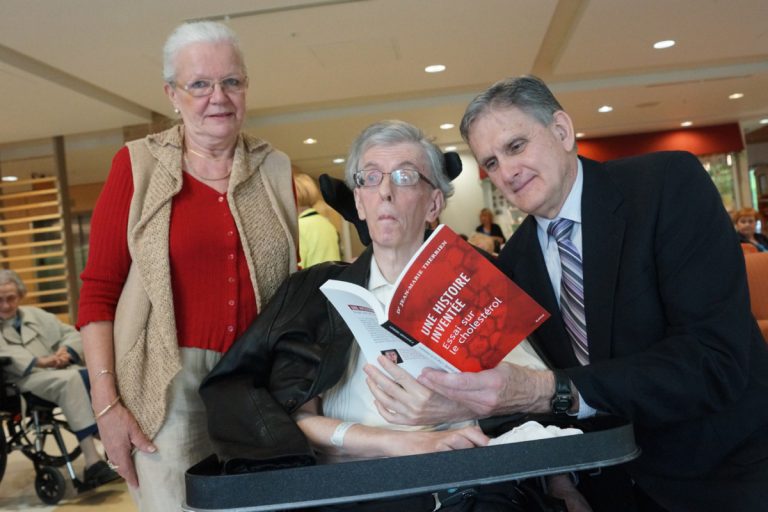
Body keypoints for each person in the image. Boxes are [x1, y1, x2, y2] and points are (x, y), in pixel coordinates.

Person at [381, 76, 768, 511]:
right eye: (490, 162)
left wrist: (552, 389)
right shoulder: (512, 264)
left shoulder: (665, 185)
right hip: (608, 487)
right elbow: (528, 398)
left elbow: (714, 359)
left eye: (515, 146)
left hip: (724, 472)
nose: (506, 173)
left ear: (562, 131)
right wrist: (560, 484)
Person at [200, 120, 586, 511]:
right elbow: (291, 417)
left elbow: (532, 401)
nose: (385, 191)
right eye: (370, 178)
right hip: (352, 491)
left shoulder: (479, 284)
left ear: (433, 203)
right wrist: (402, 443)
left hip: (466, 486)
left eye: (404, 176)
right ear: (360, 202)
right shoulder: (315, 293)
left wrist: (564, 489)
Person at [76, 21, 298, 511]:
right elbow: (97, 294)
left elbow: (288, 289)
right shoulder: (137, 165)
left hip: (255, 380)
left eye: (231, 81)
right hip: (165, 383)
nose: (217, 96)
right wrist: (106, 406)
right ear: (172, 94)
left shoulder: (275, 167)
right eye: (199, 84)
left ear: (245, 88)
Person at [0, 270, 120, 486]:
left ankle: (112, 446)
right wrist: (40, 361)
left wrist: (66, 351)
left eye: (11, 298)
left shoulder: (36, 315)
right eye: (0, 300)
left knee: (91, 375)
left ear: (20, 295)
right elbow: (4, 355)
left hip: (57, 372)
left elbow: (72, 333)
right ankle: (93, 461)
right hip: (23, 380)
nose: (6, 305)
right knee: (71, 380)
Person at [295, 172, 341, 267]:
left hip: (313, 280)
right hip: (333, 278)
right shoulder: (327, 223)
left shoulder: (300, 227)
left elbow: (298, 266)